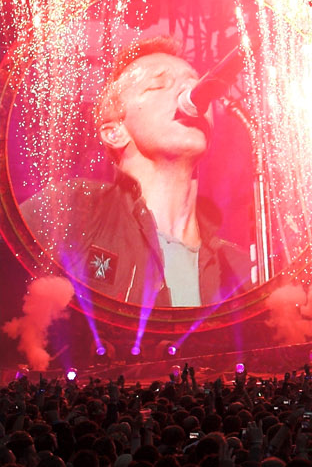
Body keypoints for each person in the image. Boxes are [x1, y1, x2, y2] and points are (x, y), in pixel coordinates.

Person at [23, 36, 251, 310]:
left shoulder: (239, 269)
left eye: (193, 81)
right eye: (158, 85)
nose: (189, 90)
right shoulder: (74, 210)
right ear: (115, 132)